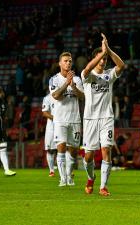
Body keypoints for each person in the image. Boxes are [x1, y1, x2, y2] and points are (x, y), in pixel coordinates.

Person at [81, 33, 125, 196]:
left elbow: (121, 66)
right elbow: (86, 69)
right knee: (88, 155)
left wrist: (109, 51)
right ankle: (91, 178)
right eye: (101, 58)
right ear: (95, 58)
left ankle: (103, 187)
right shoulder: (88, 76)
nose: (103, 61)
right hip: (90, 119)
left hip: (106, 117)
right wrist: (101, 52)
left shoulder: (109, 75)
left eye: (105, 59)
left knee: (106, 150)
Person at [49, 51, 84, 186]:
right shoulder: (54, 79)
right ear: (60, 63)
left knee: (74, 150)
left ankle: (69, 176)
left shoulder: (77, 79)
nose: (68, 63)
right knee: (61, 147)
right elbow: (56, 95)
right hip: (60, 119)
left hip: (75, 119)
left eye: (70, 61)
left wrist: (73, 86)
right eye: (65, 61)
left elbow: (82, 97)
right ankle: (63, 178)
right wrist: (66, 84)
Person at [42, 92, 57, 177]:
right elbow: (45, 113)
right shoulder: (47, 98)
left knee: (64, 148)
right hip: (51, 127)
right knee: (50, 149)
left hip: (64, 125)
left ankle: (67, 170)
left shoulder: (65, 95)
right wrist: (57, 118)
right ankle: (51, 170)